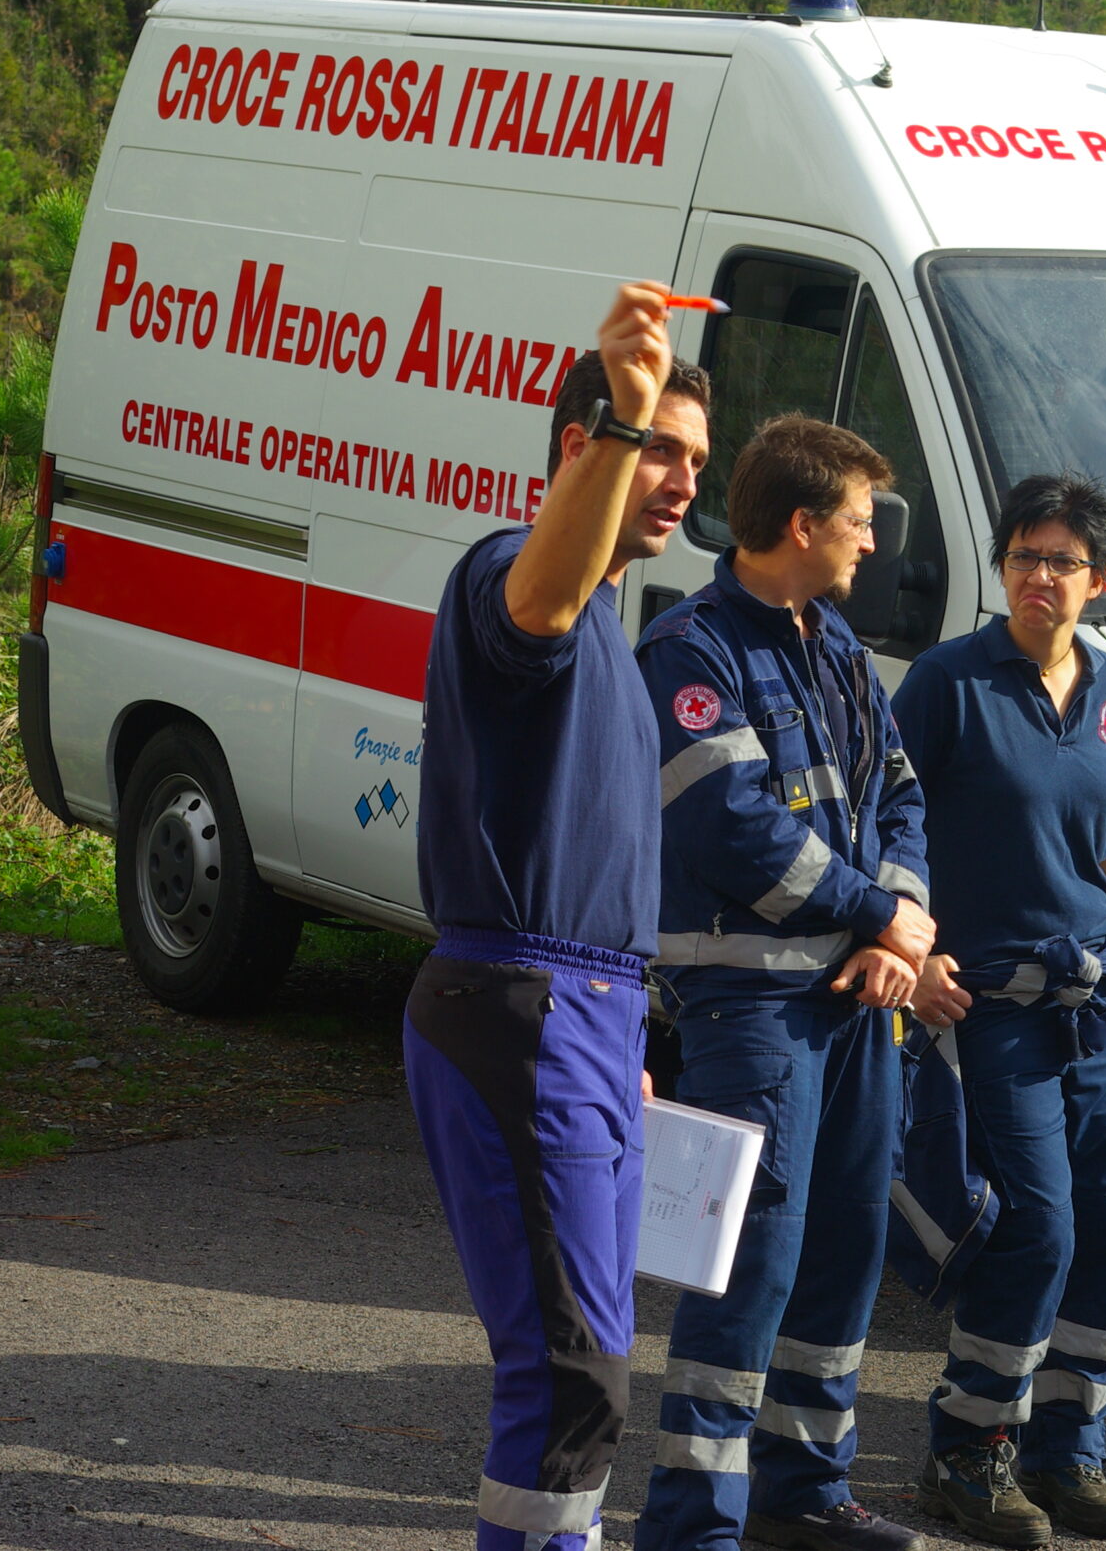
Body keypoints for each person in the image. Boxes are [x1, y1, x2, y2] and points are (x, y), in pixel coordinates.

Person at [402, 282, 710, 1551]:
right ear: (584, 451)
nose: (684, 478)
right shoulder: (511, 580)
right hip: (520, 1007)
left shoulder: (616, 642)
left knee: (588, 1366)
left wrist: (624, 1032)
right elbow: (540, 594)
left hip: (583, 1020)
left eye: (695, 454)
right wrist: (623, 417)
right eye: (658, 450)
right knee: (569, 1373)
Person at [633, 415, 930, 1551]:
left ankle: (802, 1495)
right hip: (751, 1008)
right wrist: (875, 910)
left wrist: (893, 927)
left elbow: (899, 792)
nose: (870, 543)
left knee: (845, 1247)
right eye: (859, 521)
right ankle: (692, 1524)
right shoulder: (691, 647)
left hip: (859, 997)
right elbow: (731, 824)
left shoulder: (838, 643)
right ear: (802, 524)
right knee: (752, 1263)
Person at [890, 474, 1106, 1546]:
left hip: (1095, 999)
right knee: (1036, 1226)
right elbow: (890, 817)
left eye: (1061, 560)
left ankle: (1066, 1451)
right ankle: (965, 1452)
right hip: (989, 1001)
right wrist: (911, 948)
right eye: (1023, 555)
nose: (1039, 575)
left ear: (1097, 578)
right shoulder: (949, 681)